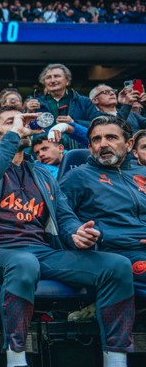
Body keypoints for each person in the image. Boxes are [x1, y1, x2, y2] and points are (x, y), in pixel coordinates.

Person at [0, 107, 141, 367]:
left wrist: (76, 236)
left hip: (42, 252)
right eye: (9, 122)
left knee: (115, 266)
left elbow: (66, 218)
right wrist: (13, 135)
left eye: (22, 122)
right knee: (23, 263)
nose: (20, 126)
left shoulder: (43, 175)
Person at [62, 115, 146, 295]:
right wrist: (75, 234)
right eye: (96, 140)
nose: (103, 144)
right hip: (115, 252)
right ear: (90, 147)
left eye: (111, 137)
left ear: (129, 144)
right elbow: (58, 218)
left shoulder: (143, 173)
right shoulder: (78, 177)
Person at [27, 63, 99, 130]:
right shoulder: (37, 103)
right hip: (46, 142)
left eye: (57, 76)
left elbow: (97, 124)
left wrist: (73, 122)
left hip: (76, 143)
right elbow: (30, 127)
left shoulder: (83, 101)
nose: (52, 80)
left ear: (67, 81)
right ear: (44, 83)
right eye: (48, 77)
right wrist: (29, 112)